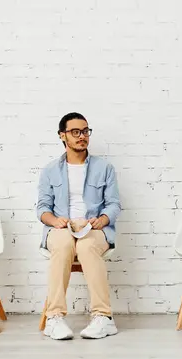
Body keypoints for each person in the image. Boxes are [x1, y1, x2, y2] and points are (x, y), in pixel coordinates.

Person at [36, 112, 121, 340]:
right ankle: (53, 318)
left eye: (85, 131)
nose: (81, 136)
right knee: (63, 245)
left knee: (86, 247)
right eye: (75, 132)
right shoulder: (50, 170)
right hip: (61, 228)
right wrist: (55, 221)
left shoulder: (105, 168)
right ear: (62, 136)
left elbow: (114, 205)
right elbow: (42, 208)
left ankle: (104, 317)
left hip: (93, 229)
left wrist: (101, 220)